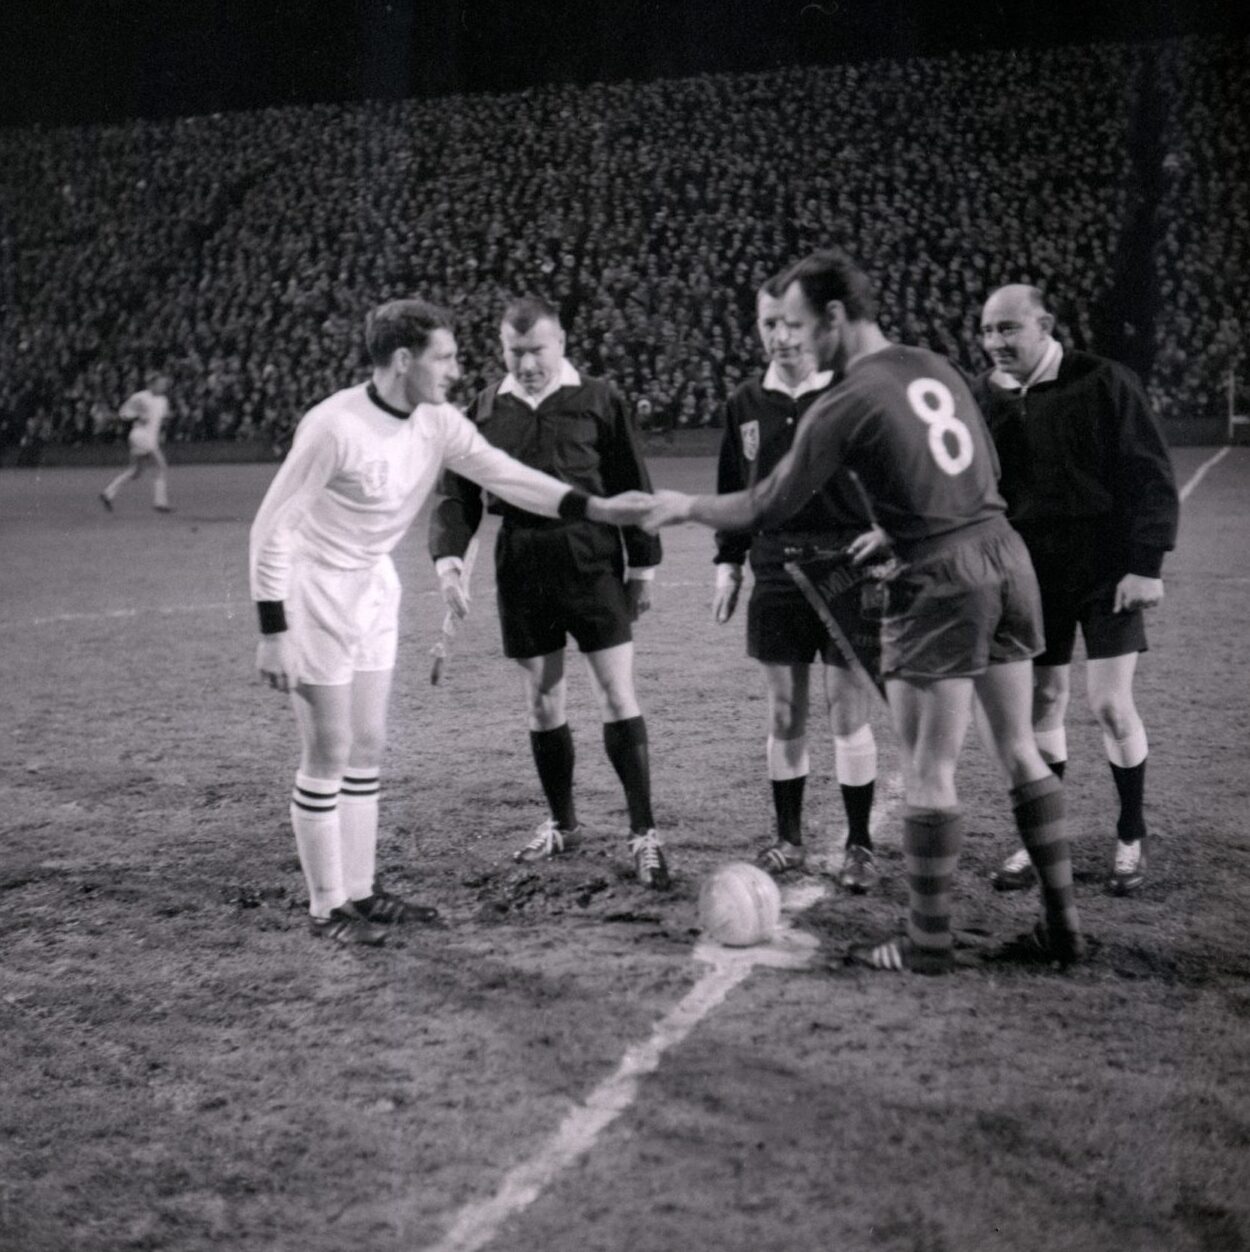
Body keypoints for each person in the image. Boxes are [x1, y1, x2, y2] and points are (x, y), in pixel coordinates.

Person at [641, 249, 1085, 973]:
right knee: (1021, 749)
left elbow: (765, 503)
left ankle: (927, 942)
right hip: (1003, 554)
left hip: (942, 582)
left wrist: (682, 505)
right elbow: (985, 464)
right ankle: (1062, 928)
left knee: (929, 770)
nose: (796, 339)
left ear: (835, 318)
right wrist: (901, 524)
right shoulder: (933, 363)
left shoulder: (847, 398)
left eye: (801, 324)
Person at [249, 298, 650, 945]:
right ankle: (328, 909)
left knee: (369, 745)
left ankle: (362, 892)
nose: (458, 369)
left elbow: (507, 478)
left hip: (375, 588)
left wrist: (592, 507)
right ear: (404, 361)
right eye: (446, 356)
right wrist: (273, 628)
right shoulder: (333, 426)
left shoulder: (436, 421)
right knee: (328, 750)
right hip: (316, 590)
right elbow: (270, 530)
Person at [428, 295, 670, 888]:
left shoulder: (600, 398)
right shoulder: (483, 408)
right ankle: (563, 822)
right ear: (501, 349)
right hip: (522, 560)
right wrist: (449, 564)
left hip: (591, 554)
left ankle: (644, 833)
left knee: (617, 693)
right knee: (542, 701)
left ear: (560, 341)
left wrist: (642, 569)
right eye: (515, 353)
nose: (527, 363)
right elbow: (456, 498)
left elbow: (631, 482)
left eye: (537, 350)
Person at [973, 285, 1179, 896]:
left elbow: (1151, 472)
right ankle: (1044, 838)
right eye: (987, 331)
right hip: (1031, 573)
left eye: (1008, 329)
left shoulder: (1103, 381)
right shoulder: (985, 397)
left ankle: (1130, 833)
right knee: (1043, 701)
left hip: (1109, 569)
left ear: (1044, 325)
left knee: (1111, 705)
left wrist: (1146, 564)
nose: (995, 343)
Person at [713, 273, 880, 891]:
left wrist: (890, 533)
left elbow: (887, 470)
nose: (781, 336)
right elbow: (738, 487)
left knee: (846, 709)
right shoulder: (744, 403)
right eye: (768, 324)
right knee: (785, 709)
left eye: (791, 323)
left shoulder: (849, 391)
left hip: (848, 564)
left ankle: (859, 843)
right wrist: (728, 562)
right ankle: (788, 838)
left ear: (814, 326)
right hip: (776, 568)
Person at [99, 372, 174, 512]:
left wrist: (166, 419)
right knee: (161, 466)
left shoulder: (163, 400)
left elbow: (162, 418)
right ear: (151, 384)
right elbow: (124, 414)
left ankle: (108, 493)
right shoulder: (140, 397)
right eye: (160, 383)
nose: (163, 386)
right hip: (140, 435)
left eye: (164, 384)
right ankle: (160, 502)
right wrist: (137, 417)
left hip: (149, 438)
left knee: (136, 472)